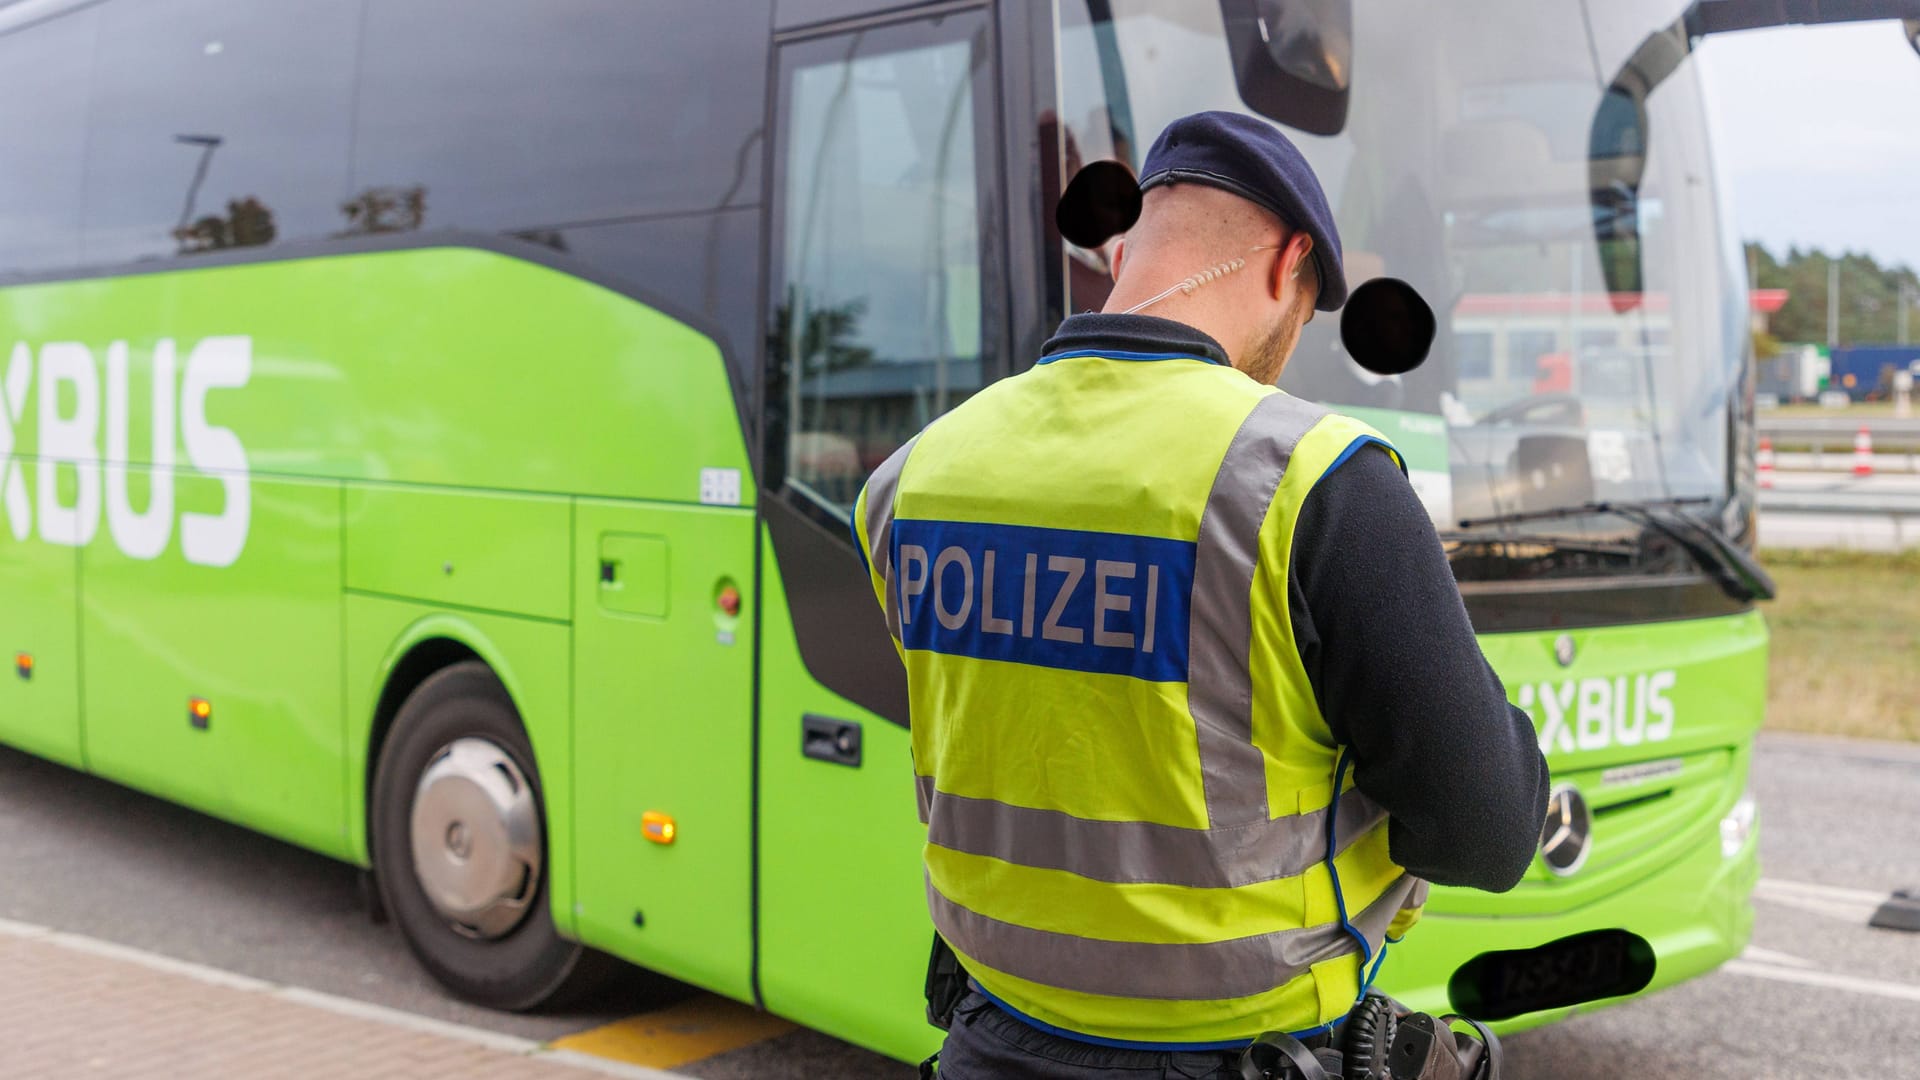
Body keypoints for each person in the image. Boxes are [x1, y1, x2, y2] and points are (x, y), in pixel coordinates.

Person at [852, 111, 1549, 1080]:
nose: (1290, 346)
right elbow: (1488, 828)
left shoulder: (915, 478)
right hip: (1240, 1056)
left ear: (1129, 244)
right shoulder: (1312, 477)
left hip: (985, 1043)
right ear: (1287, 264)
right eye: (1305, 312)